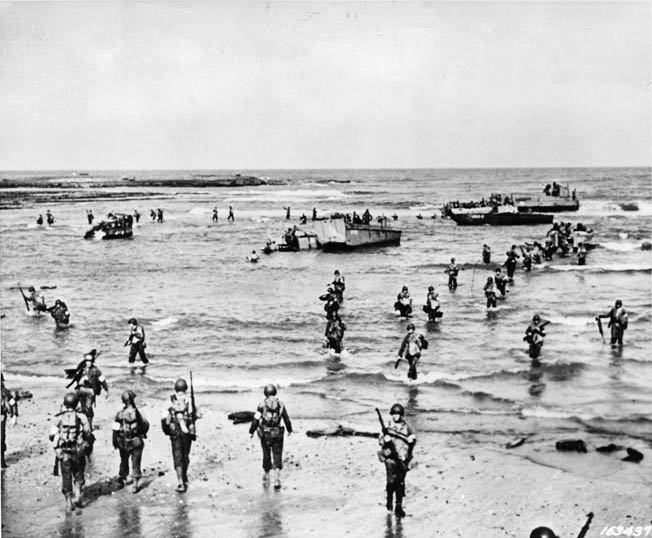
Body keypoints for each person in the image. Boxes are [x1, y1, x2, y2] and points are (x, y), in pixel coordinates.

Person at [49, 392, 92, 510]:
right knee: (78, 472)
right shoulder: (81, 417)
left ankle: (68, 502)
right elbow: (88, 432)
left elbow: (52, 435)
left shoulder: (58, 417)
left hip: (64, 451)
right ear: (76, 403)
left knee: (66, 476)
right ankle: (78, 496)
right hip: (78, 450)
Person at [249, 384, 292, 490]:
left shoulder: (261, 404)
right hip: (277, 434)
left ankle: (267, 475)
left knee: (266, 454)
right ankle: (277, 479)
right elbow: (286, 418)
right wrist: (289, 430)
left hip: (266, 434)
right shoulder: (281, 404)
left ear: (265, 393)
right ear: (275, 392)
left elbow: (256, 419)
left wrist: (251, 431)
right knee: (277, 455)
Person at [377, 403, 416, 518]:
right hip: (390, 458)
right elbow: (380, 440)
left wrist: (411, 439)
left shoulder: (406, 426)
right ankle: (389, 497)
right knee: (391, 481)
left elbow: (413, 437)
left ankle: (398, 506)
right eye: (393, 414)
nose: (395, 416)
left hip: (402, 458)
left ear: (401, 415)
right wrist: (384, 439)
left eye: (397, 414)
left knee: (400, 482)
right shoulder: (388, 426)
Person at [161, 378, 199, 492]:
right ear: (186, 388)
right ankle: (184, 475)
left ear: (175, 388)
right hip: (187, 431)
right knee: (185, 455)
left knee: (177, 455)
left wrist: (167, 430)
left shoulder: (170, 401)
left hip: (175, 431)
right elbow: (197, 414)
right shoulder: (189, 400)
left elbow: (163, 418)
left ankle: (180, 482)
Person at [113, 390, 149, 493]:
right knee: (136, 462)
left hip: (123, 441)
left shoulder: (119, 414)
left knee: (124, 460)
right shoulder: (138, 413)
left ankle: (122, 478)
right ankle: (135, 484)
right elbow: (145, 425)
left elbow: (115, 429)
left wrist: (115, 441)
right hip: (136, 440)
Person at [1, 374, 18, 468]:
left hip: (1, 417)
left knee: (1, 438)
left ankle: (2, 460)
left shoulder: (5, 392)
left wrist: (14, 415)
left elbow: (13, 403)